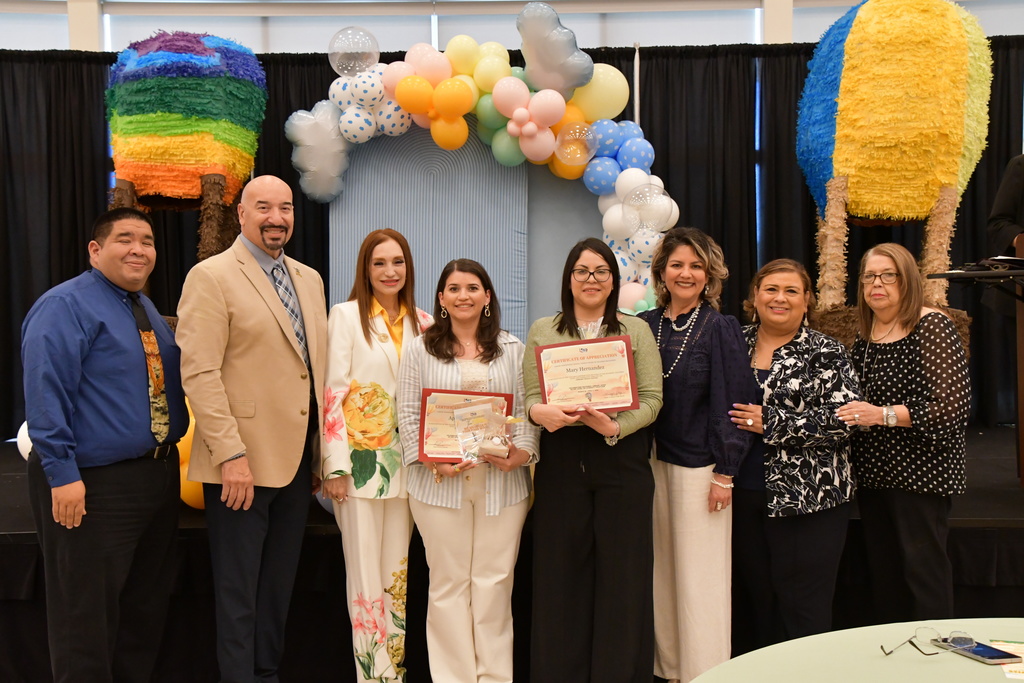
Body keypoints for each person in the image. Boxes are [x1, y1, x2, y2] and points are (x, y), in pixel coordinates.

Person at [22, 207, 189, 682]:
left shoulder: (143, 308)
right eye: (125, 239)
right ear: (95, 250)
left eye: (147, 241)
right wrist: (62, 473)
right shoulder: (65, 305)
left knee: (142, 613)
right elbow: (46, 392)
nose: (139, 249)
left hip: (155, 476)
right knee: (85, 620)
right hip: (92, 484)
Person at [176, 175, 328, 682]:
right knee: (238, 593)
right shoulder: (211, 276)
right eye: (263, 207)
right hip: (238, 466)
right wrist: (230, 455)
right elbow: (199, 372)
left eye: (285, 208)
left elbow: (311, 371)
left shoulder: (309, 279)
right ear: (241, 214)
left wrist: (320, 453)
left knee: (277, 589)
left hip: (295, 464)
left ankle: (266, 673)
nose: (276, 218)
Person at [524, 237, 663, 683]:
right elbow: (529, 398)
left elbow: (653, 399)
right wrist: (539, 413)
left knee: (624, 580)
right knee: (560, 578)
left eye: (602, 271)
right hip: (561, 465)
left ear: (613, 280)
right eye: (582, 271)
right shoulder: (543, 329)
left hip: (622, 461)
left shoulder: (635, 330)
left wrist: (615, 427)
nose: (592, 279)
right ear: (569, 279)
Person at [396, 258, 539, 683]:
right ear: (441, 298)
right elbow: (407, 415)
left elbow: (527, 411)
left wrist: (522, 455)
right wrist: (431, 457)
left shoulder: (513, 348)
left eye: (473, 288)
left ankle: (494, 677)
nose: (464, 296)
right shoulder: (419, 349)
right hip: (439, 484)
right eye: (454, 289)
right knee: (448, 584)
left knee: (495, 584)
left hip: (503, 485)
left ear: (487, 296)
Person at [636, 228, 754, 683]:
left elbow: (735, 403)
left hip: (700, 469)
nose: (686, 274)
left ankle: (706, 673)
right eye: (677, 264)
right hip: (648, 465)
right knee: (662, 576)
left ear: (709, 275)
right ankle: (670, 671)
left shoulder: (720, 327)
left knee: (700, 580)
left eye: (696, 266)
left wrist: (725, 472)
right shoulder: (644, 324)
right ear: (662, 271)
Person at [728, 259, 859, 650]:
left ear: (807, 301)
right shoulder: (732, 342)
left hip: (810, 500)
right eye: (771, 289)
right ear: (754, 297)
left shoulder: (827, 351)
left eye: (791, 291)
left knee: (803, 607)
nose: (779, 298)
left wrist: (773, 422)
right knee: (755, 602)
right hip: (741, 495)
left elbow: (846, 419)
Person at [837, 243, 970, 623]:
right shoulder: (868, 331)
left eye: (887, 275)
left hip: (920, 474)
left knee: (922, 575)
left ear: (907, 280)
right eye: (869, 276)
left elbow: (950, 408)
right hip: (875, 473)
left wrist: (881, 415)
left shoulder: (932, 325)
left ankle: (935, 652)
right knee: (887, 577)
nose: (877, 284)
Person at [320, 229, 430, 682]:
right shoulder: (346, 316)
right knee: (365, 584)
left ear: (408, 267)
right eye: (379, 262)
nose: (389, 271)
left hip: (411, 471)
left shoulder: (425, 322)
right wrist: (334, 465)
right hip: (359, 468)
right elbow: (332, 393)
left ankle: (394, 673)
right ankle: (373, 677)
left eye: (397, 262)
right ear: (365, 269)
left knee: (396, 581)